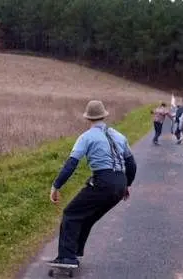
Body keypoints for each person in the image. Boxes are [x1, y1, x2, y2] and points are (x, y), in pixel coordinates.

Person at [47, 100, 137, 268]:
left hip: (103, 182)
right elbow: (131, 164)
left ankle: (67, 258)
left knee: (71, 214)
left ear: (88, 118)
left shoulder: (86, 137)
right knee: (86, 216)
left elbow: (71, 164)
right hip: (120, 183)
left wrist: (56, 186)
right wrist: (126, 185)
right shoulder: (119, 135)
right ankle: (74, 253)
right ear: (104, 116)